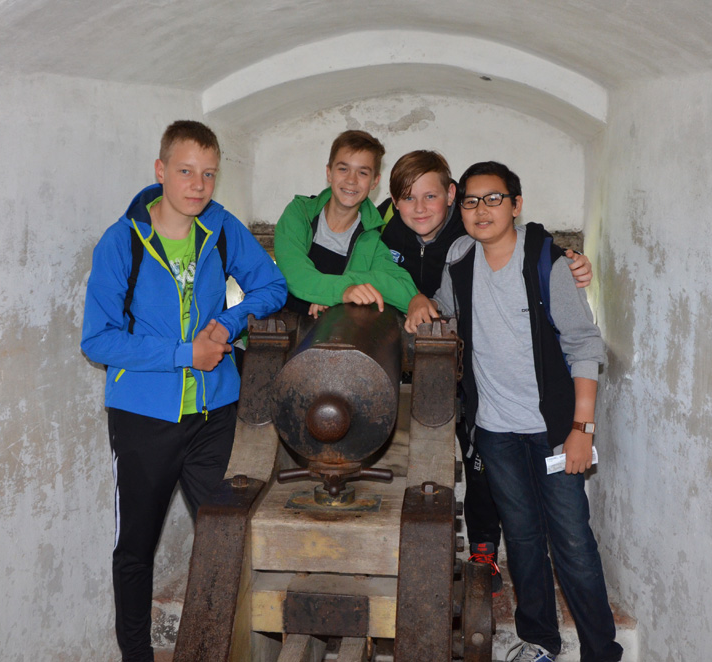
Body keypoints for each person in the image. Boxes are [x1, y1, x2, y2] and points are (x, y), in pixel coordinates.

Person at [80, 120, 287, 662]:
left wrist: (229, 321)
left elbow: (271, 285)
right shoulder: (122, 240)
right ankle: (137, 656)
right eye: (186, 171)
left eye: (209, 174)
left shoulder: (221, 227)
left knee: (229, 536)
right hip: (144, 418)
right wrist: (182, 354)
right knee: (136, 549)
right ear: (161, 171)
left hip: (215, 413)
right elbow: (98, 340)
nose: (198, 185)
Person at [411, 161, 622, 662]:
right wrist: (417, 300)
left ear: (516, 205)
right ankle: (541, 641)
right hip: (495, 431)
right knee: (523, 539)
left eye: (494, 199)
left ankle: (601, 652)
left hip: (554, 431)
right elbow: (444, 307)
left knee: (572, 542)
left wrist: (582, 429)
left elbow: (584, 345)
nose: (481, 210)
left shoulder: (547, 262)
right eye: (471, 201)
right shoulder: (461, 258)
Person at [379, 150, 594, 595]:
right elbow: (433, 297)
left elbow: (579, 337)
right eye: (408, 197)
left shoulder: (481, 239)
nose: (420, 206)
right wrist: (414, 300)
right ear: (395, 202)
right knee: (515, 520)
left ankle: (484, 551)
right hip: (476, 400)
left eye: (431, 196)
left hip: (534, 413)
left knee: (567, 538)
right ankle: (525, 610)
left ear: (450, 196)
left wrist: (569, 259)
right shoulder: (391, 236)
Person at [273, 130, 417, 316]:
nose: (351, 180)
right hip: (282, 324)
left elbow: (405, 292)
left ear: (374, 182)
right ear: (329, 173)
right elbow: (294, 273)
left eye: (363, 172)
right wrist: (342, 291)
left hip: (334, 332)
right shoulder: (299, 214)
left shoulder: (371, 241)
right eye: (343, 169)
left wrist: (351, 286)